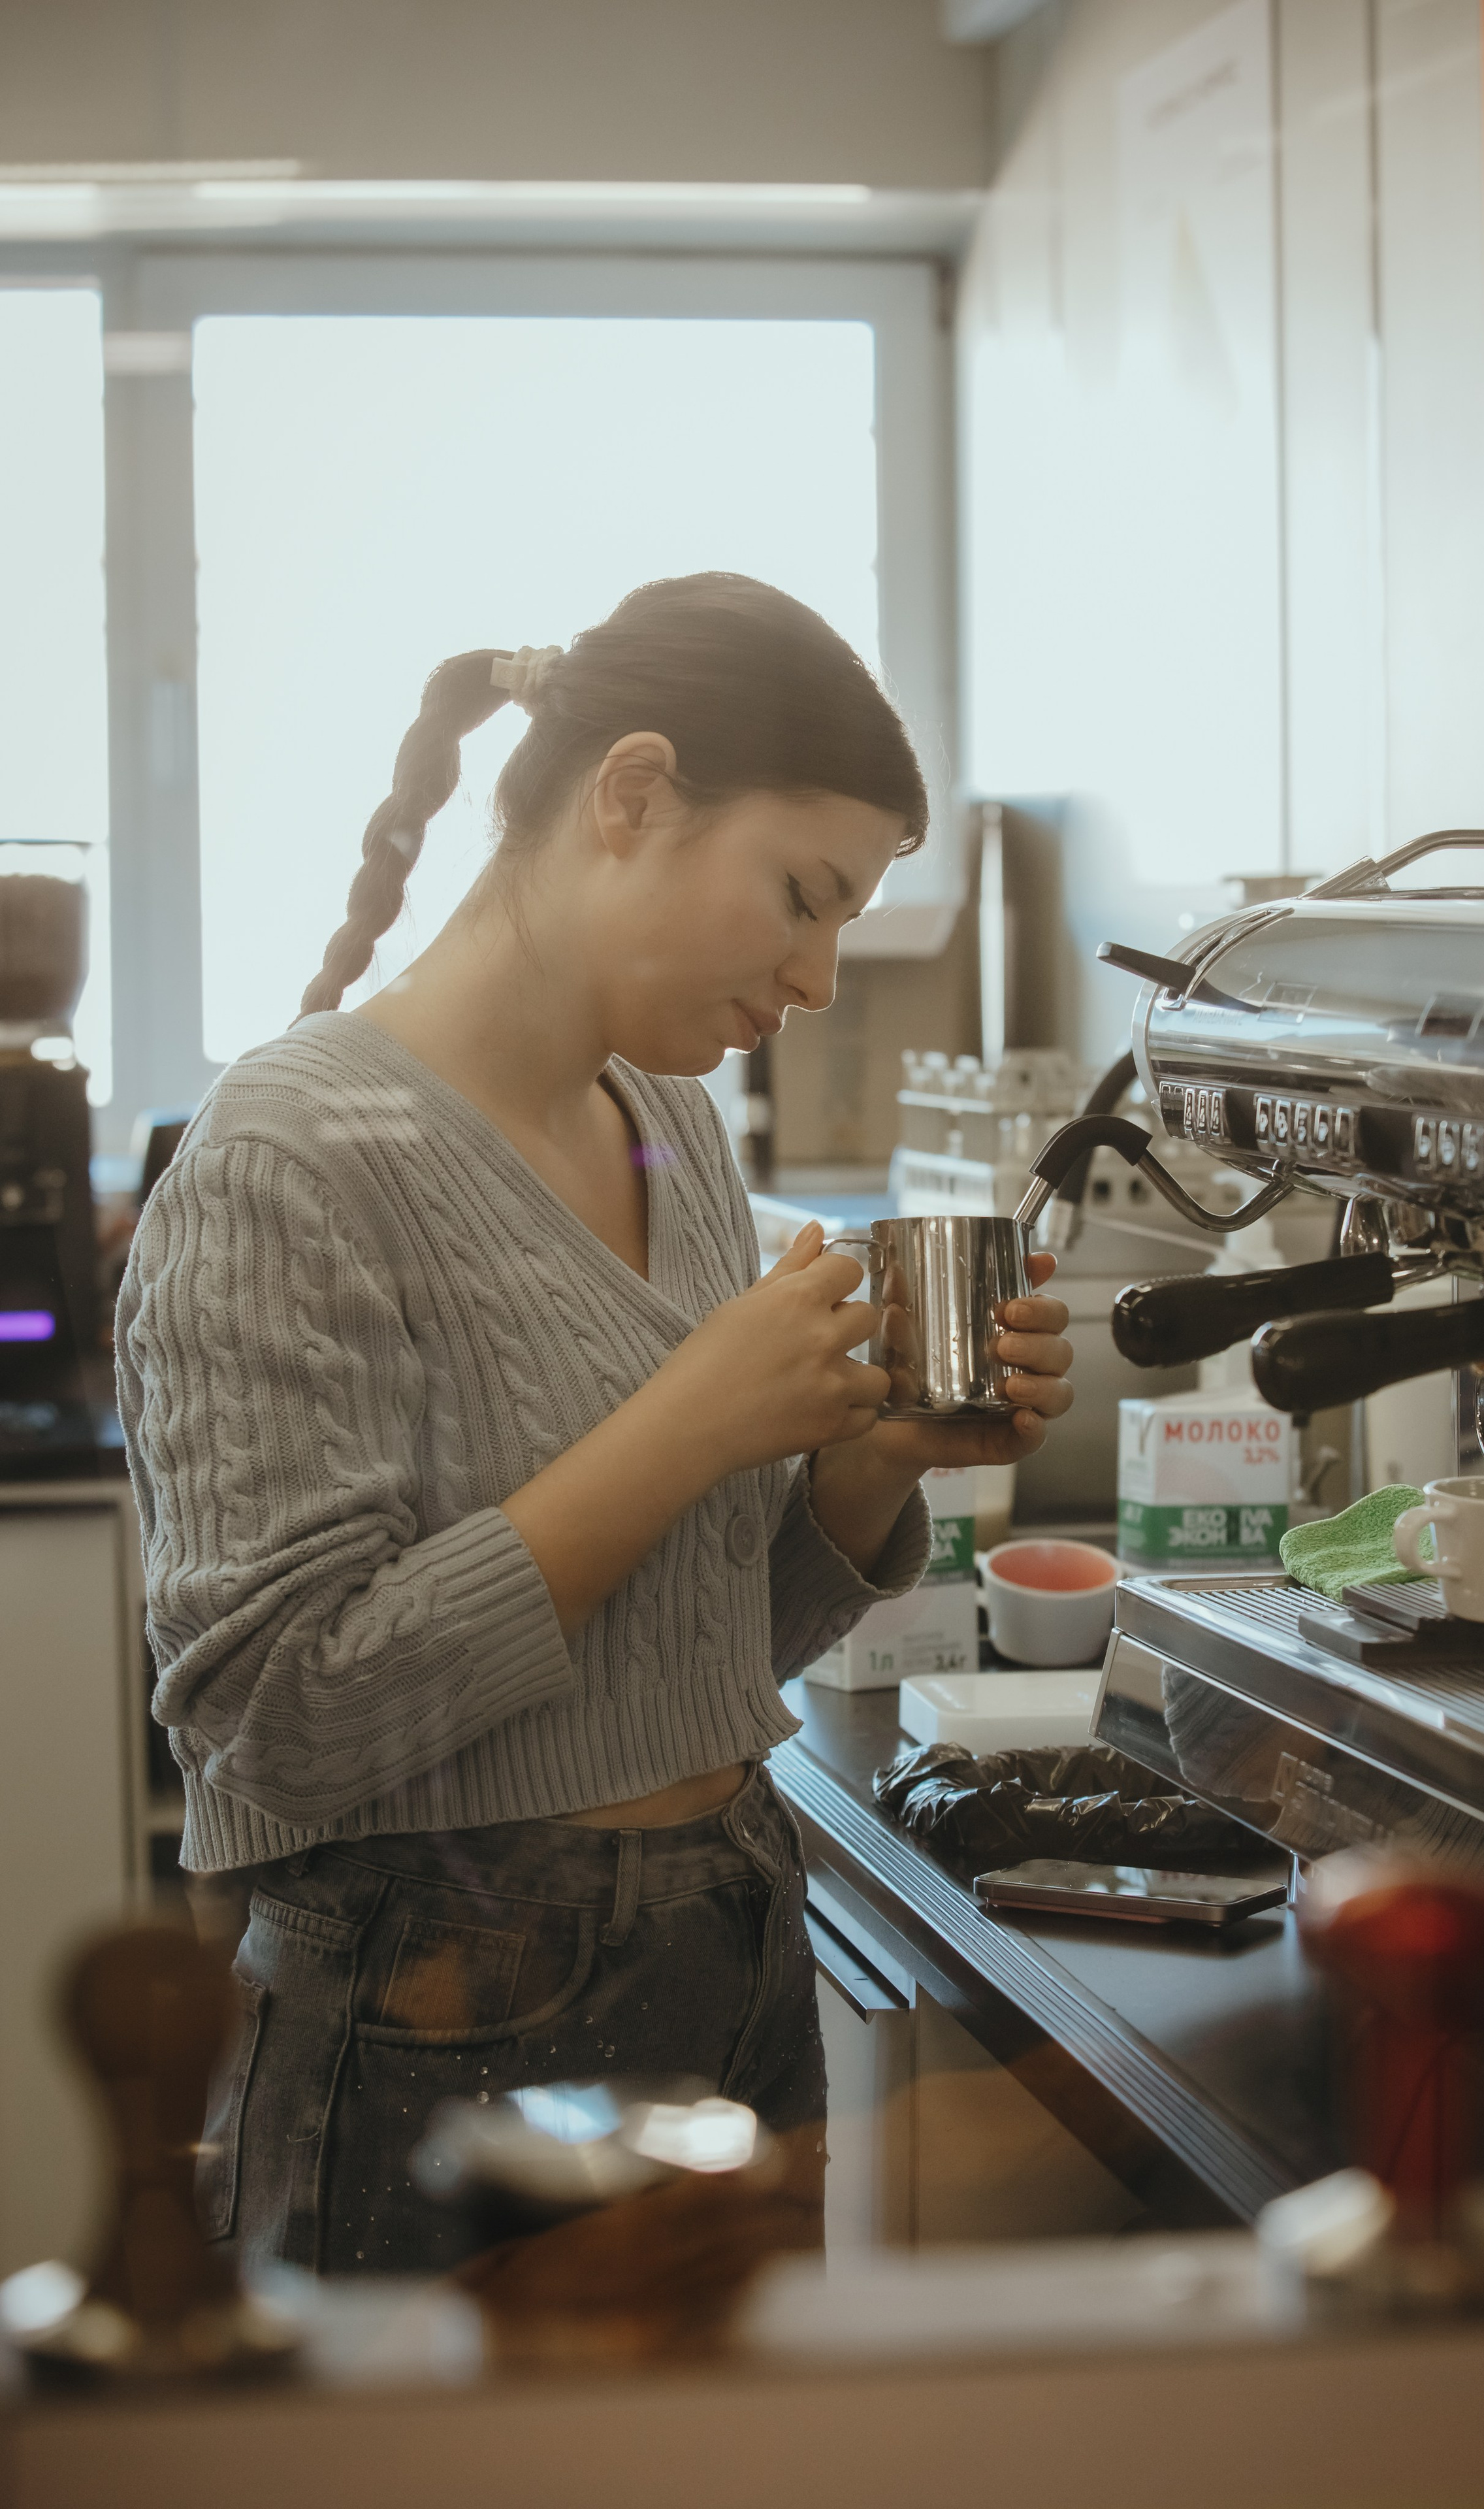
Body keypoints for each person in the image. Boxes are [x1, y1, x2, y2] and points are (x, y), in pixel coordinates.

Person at [116, 573, 1074, 2275]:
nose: (819, 976)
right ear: (632, 794)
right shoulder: (285, 1158)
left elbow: (700, 1646)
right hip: (438, 2002)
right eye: (804, 895)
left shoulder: (669, 1128)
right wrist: (689, 1424)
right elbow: (274, 1725)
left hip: (733, 1933)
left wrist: (863, 1466)